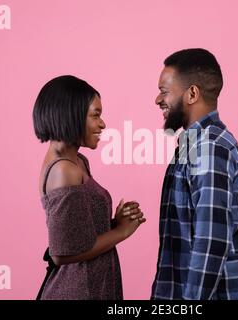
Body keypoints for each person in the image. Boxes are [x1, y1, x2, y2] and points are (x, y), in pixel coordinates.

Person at [151, 48, 238, 300]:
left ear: (192, 93)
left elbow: (211, 242)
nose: (157, 100)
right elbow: (223, 223)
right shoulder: (197, 144)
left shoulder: (209, 148)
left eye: (164, 91)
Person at [33, 75, 146, 300]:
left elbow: (80, 234)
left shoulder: (78, 161)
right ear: (71, 115)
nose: (102, 123)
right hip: (77, 291)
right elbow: (63, 254)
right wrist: (121, 231)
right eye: (95, 115)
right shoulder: (63, 170)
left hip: (93, 285)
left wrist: (115, 222)